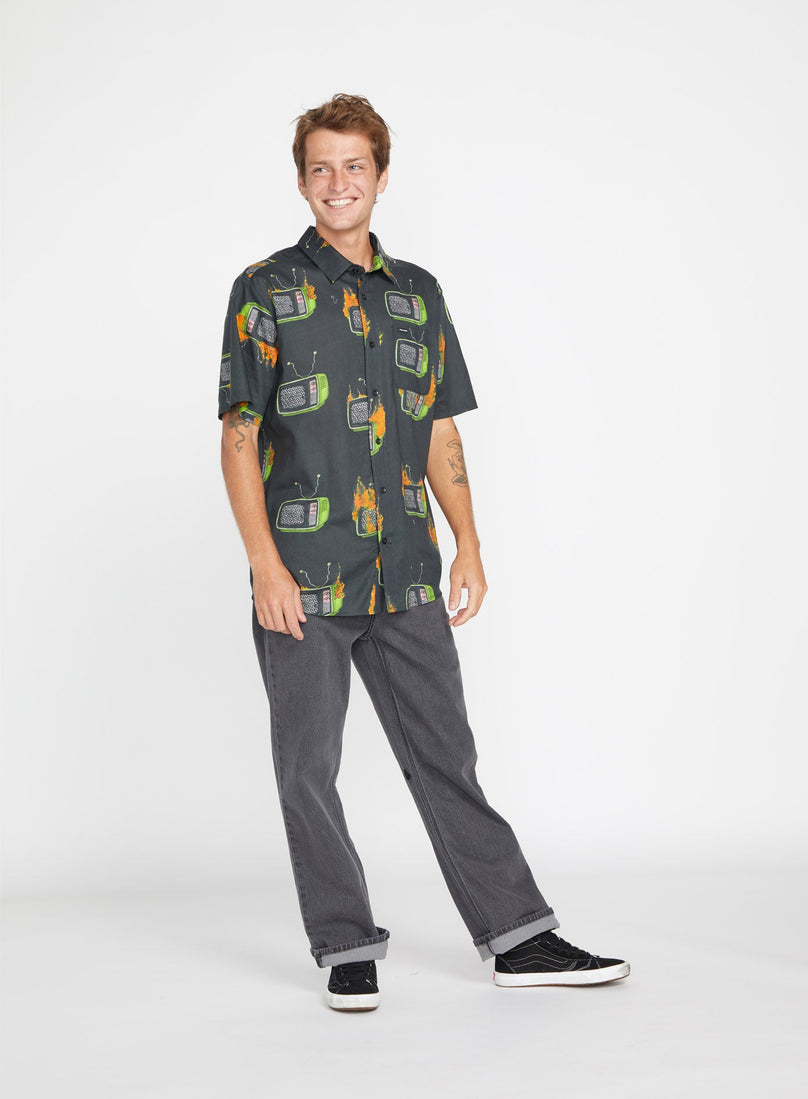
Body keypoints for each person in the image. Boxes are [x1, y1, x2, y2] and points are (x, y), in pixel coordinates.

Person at [218, 93, 630, 1012]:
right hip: (304, 577)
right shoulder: (264, 288)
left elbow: (439, 426)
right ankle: (344, 944)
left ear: (380, 176)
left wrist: (468, 543)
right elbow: (238, 435)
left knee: (447, 757)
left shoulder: (418, 294)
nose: (338, 183)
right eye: (321, 168)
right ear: (301, 181)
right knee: (308, 768)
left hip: (405, 568)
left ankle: (517, 936)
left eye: (354, 166)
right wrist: (265, 565)